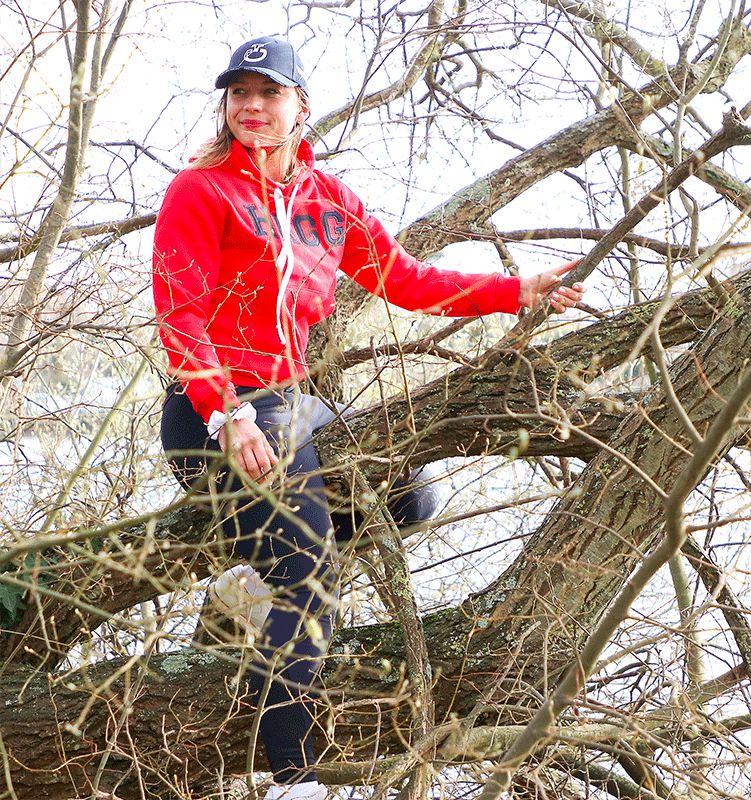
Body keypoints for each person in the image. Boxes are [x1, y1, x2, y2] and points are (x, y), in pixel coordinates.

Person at [152, 35, 585, 800]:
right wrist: (228, 416)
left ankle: (258, 586)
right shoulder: (201, 192)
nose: (252, 106)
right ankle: (285, 774)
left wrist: (519, 290)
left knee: (411, 494)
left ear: (300, 107)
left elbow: (408, 281)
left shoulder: (329, 201)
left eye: (269, 93)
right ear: (226, 106)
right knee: (312, 576)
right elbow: (180, 314)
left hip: (292, 405)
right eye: (239, 93)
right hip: (219, 413)